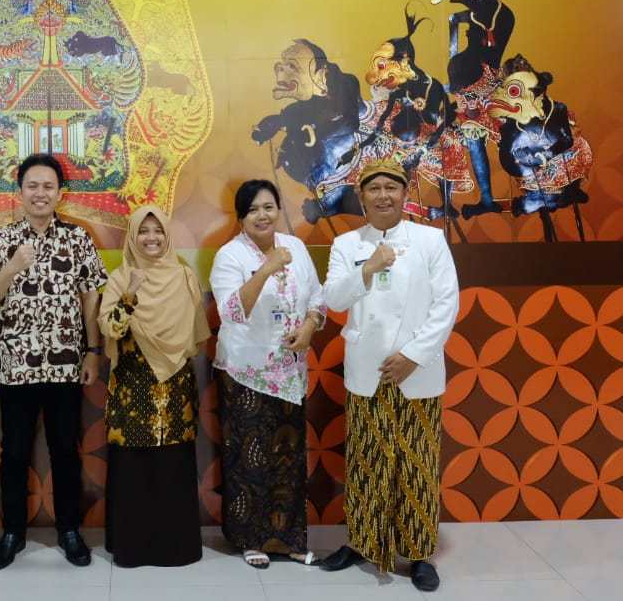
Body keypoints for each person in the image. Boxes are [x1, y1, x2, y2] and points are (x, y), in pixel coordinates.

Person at [320, 158, 459, 592]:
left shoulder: (430, 240)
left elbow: (447, 303)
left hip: (416, 372)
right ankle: (361, 542)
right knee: (366, 462)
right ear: (361, 196)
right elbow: (333, 298)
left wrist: (413, 355)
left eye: (391, 187)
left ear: (404, 193)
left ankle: (418, 553)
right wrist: (367, 268)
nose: (383, 195)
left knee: (417, 464)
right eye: (374, 188)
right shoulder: (346, 244)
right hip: (367, 370)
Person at [0, 153, 108, 570]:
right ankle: (12, 534)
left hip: (66, 363)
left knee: (65, 450)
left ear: (59, 193)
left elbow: (90, 296)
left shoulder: (78, 238)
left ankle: (70, 531)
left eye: (48, 186)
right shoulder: (2, 239)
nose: (40, 193)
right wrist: (13, 266)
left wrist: (92, 351)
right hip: (16, 365)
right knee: (14, 452)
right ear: (20, 191)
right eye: (32, 185)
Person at [209, 179, 325, 569]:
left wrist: (309, 327)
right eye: (253, 210)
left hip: (290, 373)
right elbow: (231, 312)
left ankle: (288, 539)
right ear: (241, 217)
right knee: (250, 458)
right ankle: (251, 538)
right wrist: (265, 269)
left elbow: (317, 296)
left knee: (288, 458)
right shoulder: (230, 255)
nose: (262, 215)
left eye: (269, 207)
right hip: (246, 372)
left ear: (278, 210)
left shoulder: (295, 247)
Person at [98, 205, 210, 568]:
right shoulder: (121, 277)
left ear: (167, 235)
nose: (151, 238)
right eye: (143, 231)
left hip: (175, 384)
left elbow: (195, 335)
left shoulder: (183, 275)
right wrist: (130, 295)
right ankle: (133, 547)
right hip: (132, 386)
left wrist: (170, 351)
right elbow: (111, 327)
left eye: (157, 230)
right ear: (133, 237)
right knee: (133, 466)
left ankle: (176, 548)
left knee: (173, 463)